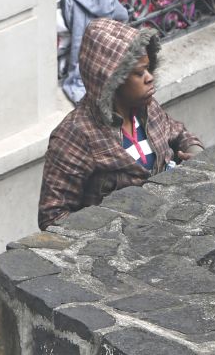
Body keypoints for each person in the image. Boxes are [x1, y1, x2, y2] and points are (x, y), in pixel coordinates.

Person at [38, 17, 203, 229]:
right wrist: (107, 230)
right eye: (138, 73)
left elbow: (179, 133)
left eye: (148, 68)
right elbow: (52, 217)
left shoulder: (148, 109)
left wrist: (195, 153)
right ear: (113, 80)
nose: (149, 77)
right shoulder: (75, 135)